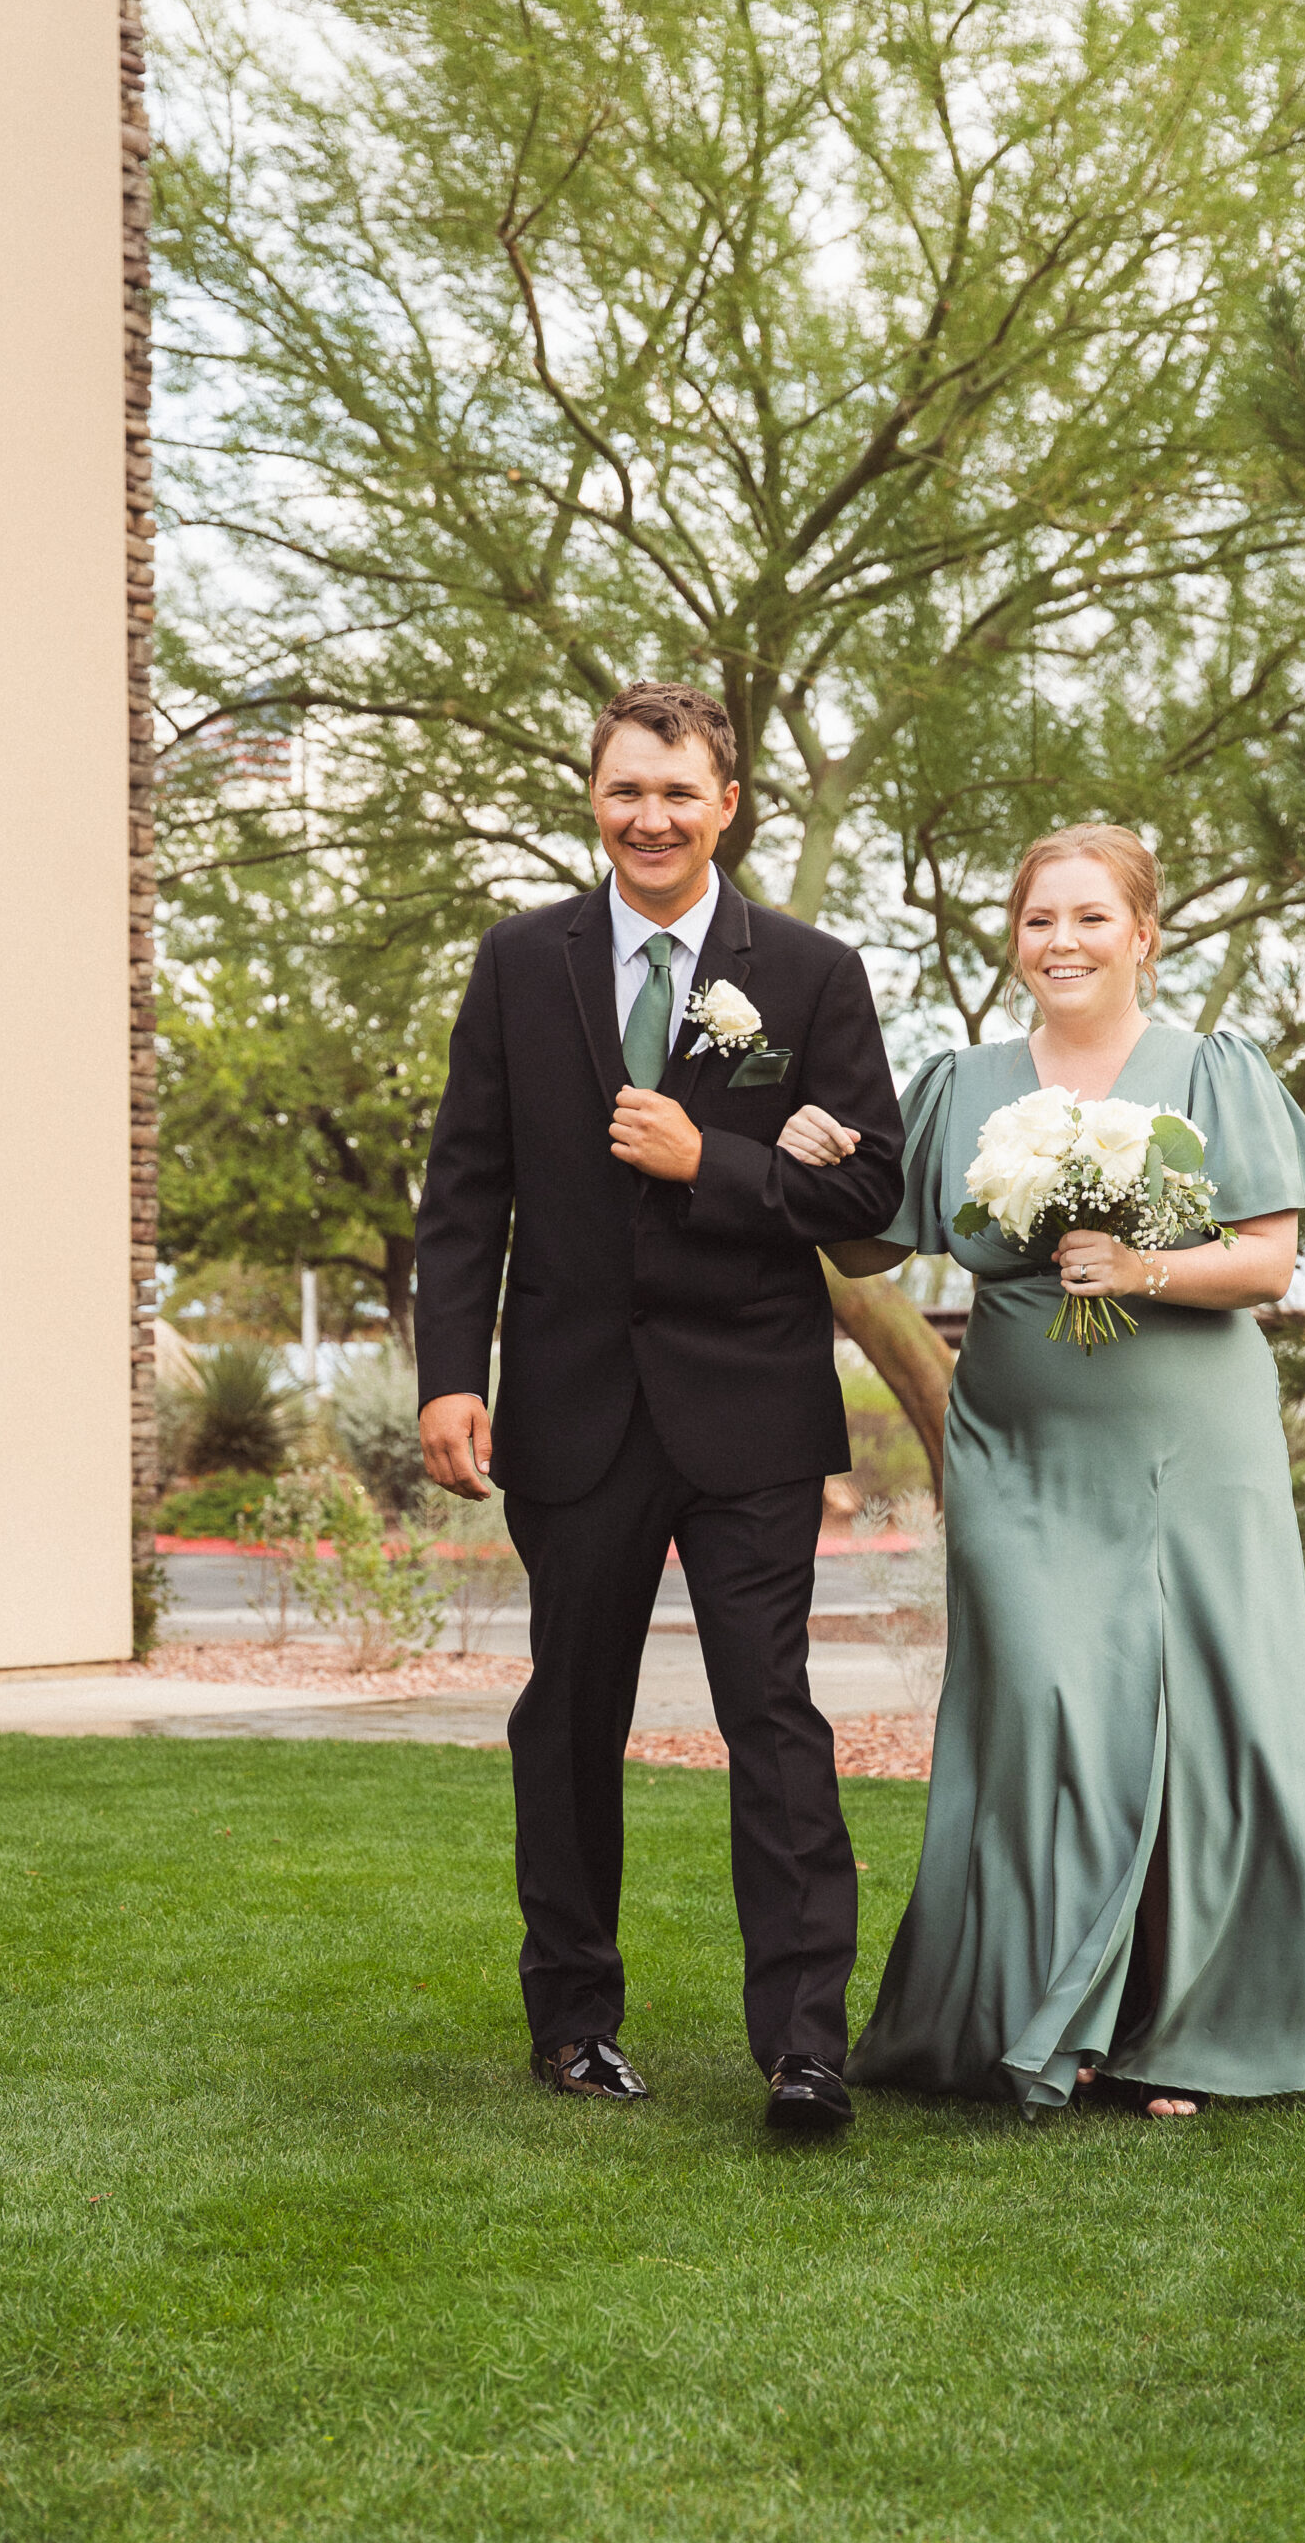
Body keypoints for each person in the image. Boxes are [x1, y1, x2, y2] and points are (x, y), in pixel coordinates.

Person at [779, 824, 1305, 2118]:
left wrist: (1142, 1265)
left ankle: (1174, 2026)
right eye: (1039, 918)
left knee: (1196, 1715)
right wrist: (819, 1163)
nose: (1061, 941)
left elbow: (1269, 1264)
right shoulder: (963, 1083)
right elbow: (876, 1247)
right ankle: (1043, 2012)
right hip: (1020, 1448)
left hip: (1192, 1444)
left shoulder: (1212, 1070)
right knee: (1045, 1702)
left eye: (1091, 917)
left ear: (1143, 935)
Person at [413, 681, 905, 2131]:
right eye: (628, 789)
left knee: (773, 1717)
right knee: (569, 1720)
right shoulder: (521, 962)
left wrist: (716, 1163)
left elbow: (873, 1193)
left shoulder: (810, 973)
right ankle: (573, 2026)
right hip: (573, 1410)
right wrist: (451, 1374)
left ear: (727, 806)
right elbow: (466, 1188)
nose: (652, 817)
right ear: (595, 796)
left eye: (680, 792)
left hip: (751, 1409)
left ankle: (804, 2049)